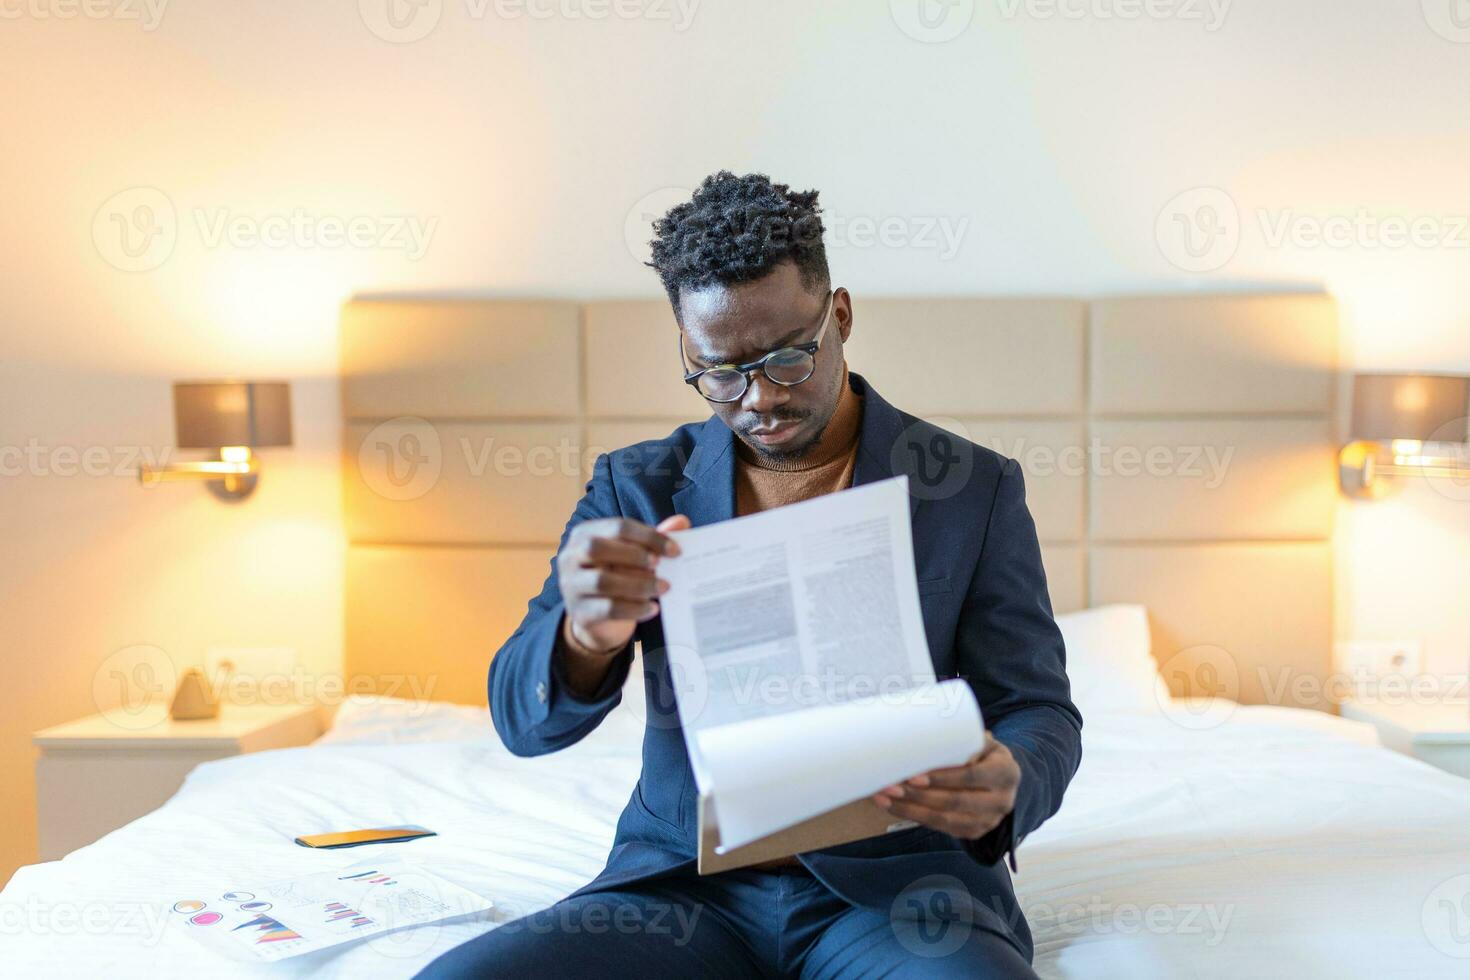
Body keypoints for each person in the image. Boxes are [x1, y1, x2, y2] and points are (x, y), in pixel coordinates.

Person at [418, 171, 1082, 978]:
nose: (760, 398)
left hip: (902, 895)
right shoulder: (638, 487)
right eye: (720, 373)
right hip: (682, 892)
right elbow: (524, 725)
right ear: (687, 351)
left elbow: (1036, 707)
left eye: (788, 359)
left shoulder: (969, 487)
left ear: (838, 314)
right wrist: (584, 637)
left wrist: (1011, 780)